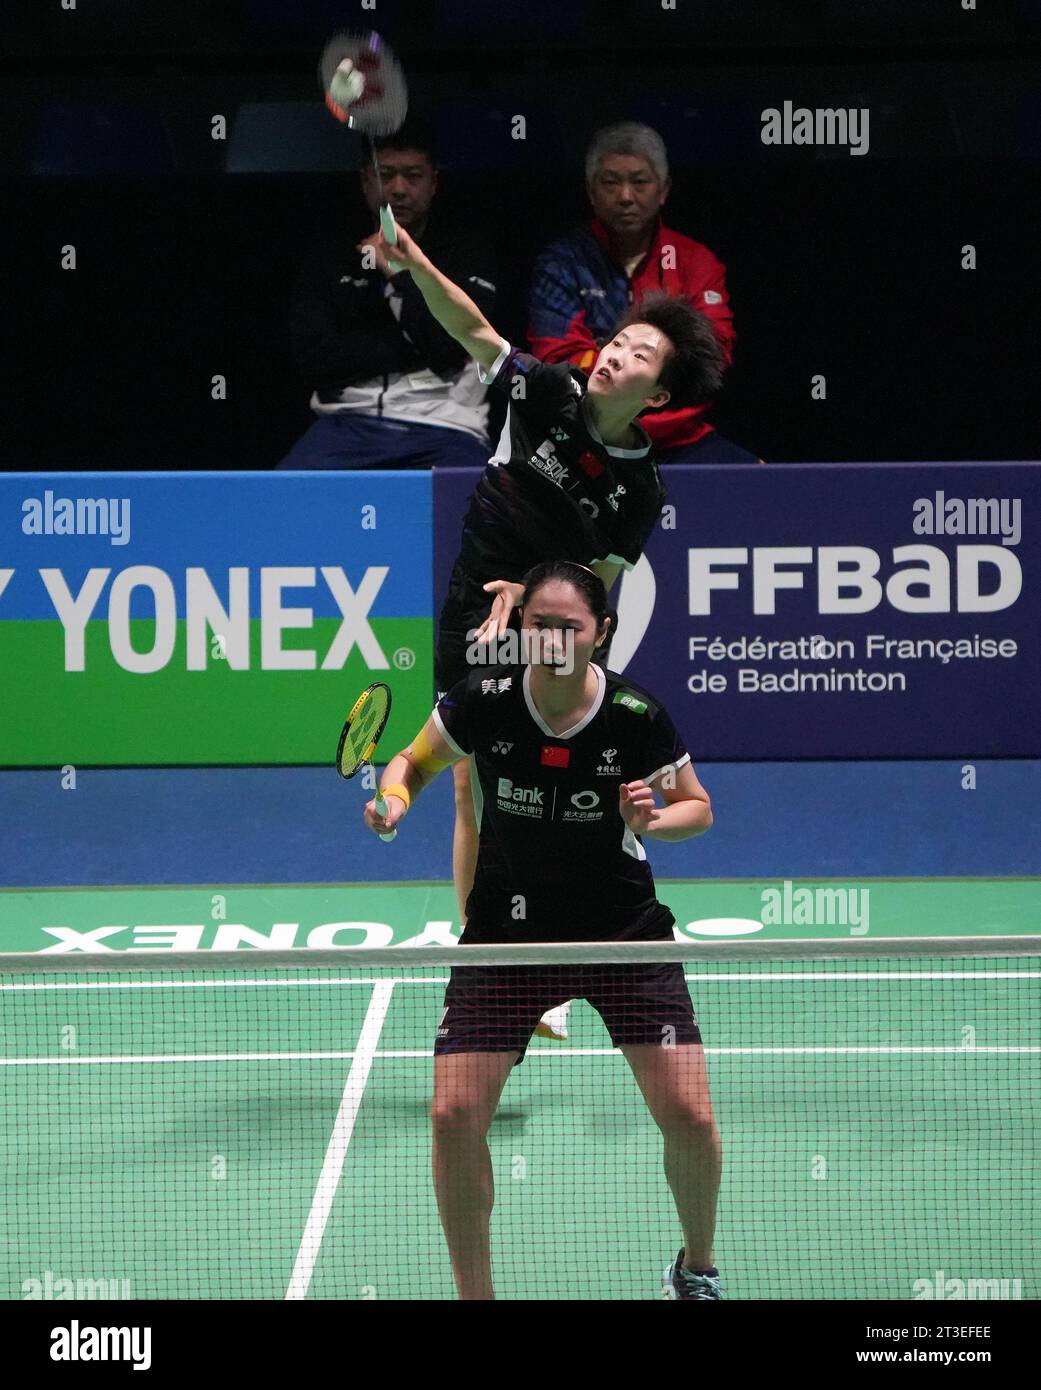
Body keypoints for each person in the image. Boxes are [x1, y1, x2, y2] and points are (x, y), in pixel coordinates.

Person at [364, 214, 725, 1041]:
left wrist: (531, 601)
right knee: (465, 780)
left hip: (552, 630)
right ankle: (492, 961)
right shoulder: (545, 392)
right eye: (617, 340)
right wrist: (415, 255)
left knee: (557, 790)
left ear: (657, 394)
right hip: (470, 610)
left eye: (639, 354)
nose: (617, 354)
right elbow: (473, 328)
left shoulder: (639, 493)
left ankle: (577, 931)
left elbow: (598, 590)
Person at [364, 560, 724, 1301]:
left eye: (570, 627)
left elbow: (698, 807)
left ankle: (696, 1267)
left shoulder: (632, 715)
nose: (553, 639)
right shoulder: (486, 698)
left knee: (688, 1115)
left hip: (621, 934)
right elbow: (414, 760)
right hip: (508, 937)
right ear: (520, 629)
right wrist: (395, 797)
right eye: (539, 625)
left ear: (601, 634)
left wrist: (653, 819)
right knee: (453, 1114)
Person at [528, 120, 760, 464]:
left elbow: (711, 361)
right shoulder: (560, 263)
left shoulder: (697, 262)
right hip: (587, 438)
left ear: (663, 189)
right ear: (591, 192)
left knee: (758, 480)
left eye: (639, 182)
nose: (625, 196)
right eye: (611, 182)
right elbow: (556, 362)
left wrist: (604, 357)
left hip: (683, 438)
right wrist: (649, 368)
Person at [279, 117, 497, 469]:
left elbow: (452, 349)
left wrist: (400, 277)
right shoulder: (330, 257)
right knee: (278, 507)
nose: (398, 189)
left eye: (413, 176)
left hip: (447, 427)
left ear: (433, 183)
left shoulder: (468, 255)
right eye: (386, 175)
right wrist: (413, 347)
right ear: (366, 182)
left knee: (483, 511)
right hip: (345, 427)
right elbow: (313, 361)